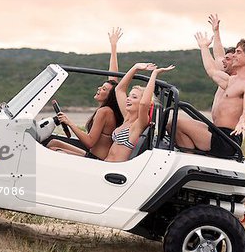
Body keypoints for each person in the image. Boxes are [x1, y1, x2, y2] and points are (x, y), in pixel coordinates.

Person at [168, 5, 245, 157]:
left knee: (176, 123)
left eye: (238, 53)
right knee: (171, 124)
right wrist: (204, 48)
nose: (234, 55)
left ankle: (191, 158)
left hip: (227, 138)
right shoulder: (231, 79)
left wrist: (242, 122)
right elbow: (212, 70)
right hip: (215, 130)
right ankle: (190, 158)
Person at [47, 27, 124, 160]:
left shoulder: (104, 111)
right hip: (91, 154)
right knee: (53, 142)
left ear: (110, 96)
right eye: (101, 86)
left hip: (95, 159)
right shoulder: (109, 108)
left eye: (104, 89)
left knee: (54, 149)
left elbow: (89, 142)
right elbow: (113, 78)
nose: (100, 88)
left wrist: (69, 122)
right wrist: (113, 46)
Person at [105, 63, 175, 162]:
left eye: (134, 97)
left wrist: (154, 74)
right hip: (106, 164)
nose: (128, 99)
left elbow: (144, 104)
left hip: (117, 170)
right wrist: (135, 67)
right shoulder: (127, 117)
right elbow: (119, 90)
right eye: (129, 96)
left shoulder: (140, 123)